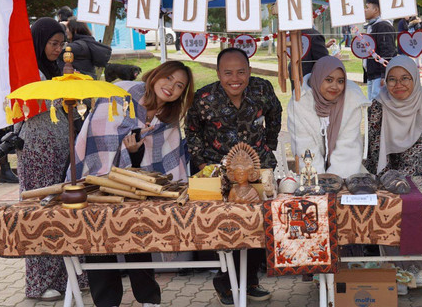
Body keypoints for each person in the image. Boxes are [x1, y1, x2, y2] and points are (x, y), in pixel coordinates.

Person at [73, 60, 194, 307]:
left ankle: (148, 298)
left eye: (179, 85)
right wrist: (121, 155)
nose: (171, 86)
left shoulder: (168, 119)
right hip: (98, 177)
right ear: (156, 75)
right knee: (98, 237)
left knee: (139, 235)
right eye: (168, 78)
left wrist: (135, 152)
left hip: (137, 187)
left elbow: (160, 162)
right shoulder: (123, 93)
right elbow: (99, 134)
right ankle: (106, 301)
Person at [185, 47, 281, 306]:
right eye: (227, 73)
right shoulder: (204, 97)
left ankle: (249, 282)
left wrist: (269, 144)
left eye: (241, 71)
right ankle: (225, 281)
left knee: (260, 225)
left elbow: (275, 113)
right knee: (228, 227)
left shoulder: (262, 89)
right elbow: (191, 131)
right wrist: (204, 164)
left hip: (259, 168)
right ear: (218, 73)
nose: (235, 78)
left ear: (249, 71)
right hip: (220, 172)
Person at [17, 17, 88, 301]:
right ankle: (40, 282)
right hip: (37, 149)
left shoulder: (56, 69)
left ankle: (68, 276)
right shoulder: (28, 71)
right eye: (53, 43)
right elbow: (32, 107)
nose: (58, 49)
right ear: (39, 41)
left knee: (64, 209)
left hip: (60, 146)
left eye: (61, 44)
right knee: (41, 211)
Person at [287, 55, 370, 177]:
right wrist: (318, 181)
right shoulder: (300, 102)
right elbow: (304, 146)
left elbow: (348, 148)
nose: (335, 86)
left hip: (347, 173)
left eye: (340, 81)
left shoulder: (351, 100)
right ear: (318, 78)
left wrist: (334, 182)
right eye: (329, 80)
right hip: (311, 174)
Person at [364, 55, 422, 177]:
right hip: (380, 166)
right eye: (392, 79)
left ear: (414, 78)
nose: (398, 85)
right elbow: (375, 144)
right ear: (386, 81)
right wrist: (386, 176)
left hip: (413, 168)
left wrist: (401, 177)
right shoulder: (378, 105)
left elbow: (418, 147)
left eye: (405, 78)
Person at [363, 0, 397, 100]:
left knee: (377, 104)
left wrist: (384, 75)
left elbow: (387, 51)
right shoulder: (372, 26)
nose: (364, 10)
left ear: (376, 10)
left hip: (379, 74)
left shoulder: (383, 26)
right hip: (372, 73)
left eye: (367, 7)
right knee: (371, 104)